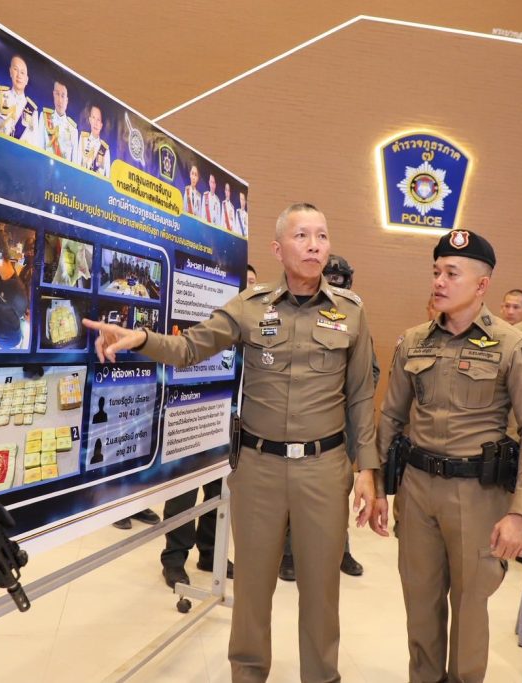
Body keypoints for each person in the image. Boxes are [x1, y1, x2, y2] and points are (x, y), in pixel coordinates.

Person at [83, 202, 378, 682]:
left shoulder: (352, 313)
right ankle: (248, 673)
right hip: (259, 468)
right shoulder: (249, 306)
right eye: (302, 236)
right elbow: (189, 348)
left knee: (322, 590)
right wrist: (139, 338)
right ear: (278, 249)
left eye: (322, 236)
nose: (314, 245)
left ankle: (322, 676)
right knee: (254, 588)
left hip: (324, 470)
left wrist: (367, 469)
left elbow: (362, 395)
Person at [373, 229, 522, 683]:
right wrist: (375, 484)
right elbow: (391, 416)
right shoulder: (414, 340)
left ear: (482, 284)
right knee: (420, 603)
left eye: (452, 273)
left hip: (478, 494)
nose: (439, 281)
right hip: (417, 489)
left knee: (471, 607)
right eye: (436, 271)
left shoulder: (513, 346)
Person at [279, 253, 373, 581]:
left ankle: (340, 549)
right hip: (305, 418)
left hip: (343, 423)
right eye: (330, 280)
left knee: (337, 490)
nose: (335, 285)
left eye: (340, 281)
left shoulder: (353, 316)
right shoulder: (296, 312)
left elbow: (369, 372)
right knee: (294, 488)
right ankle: (289, 552)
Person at [0, 54, 38, 143]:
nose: (19, 75)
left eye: (22, 72)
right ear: (10, 72)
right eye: (16, 69)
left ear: (26, 80)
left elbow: (34, 143)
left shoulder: (32, 110)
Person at [37, 80, 78, 161]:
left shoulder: (73, 129)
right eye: (57, 94)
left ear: (67, 100)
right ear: (53, 95)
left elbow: (74, 162)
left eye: (63, 96)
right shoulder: (44, 117)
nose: (60, 100)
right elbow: (39, 149)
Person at [77, 103, 110, 177]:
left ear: (101, 125)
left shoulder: (105, 149)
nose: (96, 123)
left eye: (98, 120)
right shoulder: (83, 139)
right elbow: (77, 165)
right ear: (90, 120)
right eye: (93, 118)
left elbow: (107, 177)